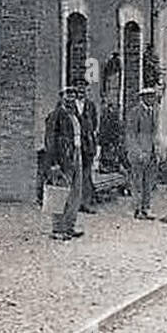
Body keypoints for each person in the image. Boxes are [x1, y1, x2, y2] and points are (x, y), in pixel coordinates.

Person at [45, 86, 86, 240]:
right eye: (67, 95)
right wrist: (54, 163)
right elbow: (50, 141)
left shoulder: (75, 115)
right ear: (61, 97)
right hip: (62, 157)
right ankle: (57, 229)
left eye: (73, 95)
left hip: (76, 154)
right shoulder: (55, 116)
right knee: (59, 191)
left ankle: (69, 226)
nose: (71, 98)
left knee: (75, 192)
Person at [124, 85, 160, 219]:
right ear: (143, 98)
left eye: (153, 96)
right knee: (137, 181)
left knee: (148, 182)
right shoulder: (135, 112)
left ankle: (146, 207)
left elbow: (154, 133)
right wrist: (137, 151)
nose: (152, 99)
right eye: (149, 97)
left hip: (151, 151)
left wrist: (156, 148)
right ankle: (137, 209)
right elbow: (131, 134)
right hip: (138, 152)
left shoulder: (154, 111)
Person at [75, 82, 99, 213]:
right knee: (74, 175)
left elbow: (94, 124)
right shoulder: (69, 105)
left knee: (86, 175)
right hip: (74, 144)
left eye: (83, 89)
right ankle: (74, 203)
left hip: (87, 145)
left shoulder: (90, 106)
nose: (81, 91)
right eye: (78, 89)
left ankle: (85, 203)